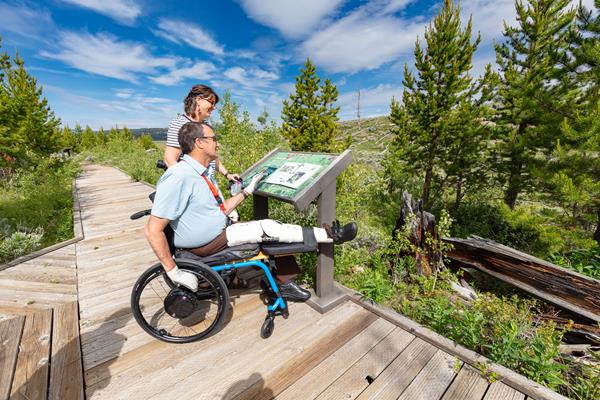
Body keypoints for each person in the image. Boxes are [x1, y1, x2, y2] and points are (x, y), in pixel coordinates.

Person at [145, 122, 357, 302]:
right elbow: (153, 230)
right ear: (199, 143)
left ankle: (284, 280)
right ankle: (331, 236)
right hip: (206, 244)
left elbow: (221, 208)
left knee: (269, 229)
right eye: (213, 138)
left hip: (217, 231)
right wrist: (174, 272)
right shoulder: (179, 176)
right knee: (266, 227)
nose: (217, 142)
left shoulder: (196, 173)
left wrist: (247, 191)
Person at [163, 84, 239, 182]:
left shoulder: (205, 126)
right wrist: (191, 182)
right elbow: (169, 159)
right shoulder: (180, 123)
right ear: (199, 99)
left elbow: (211, 157)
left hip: (207, 183)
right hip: (193, 185)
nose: (214, 107)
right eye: (211, 102)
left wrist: (227, 174)